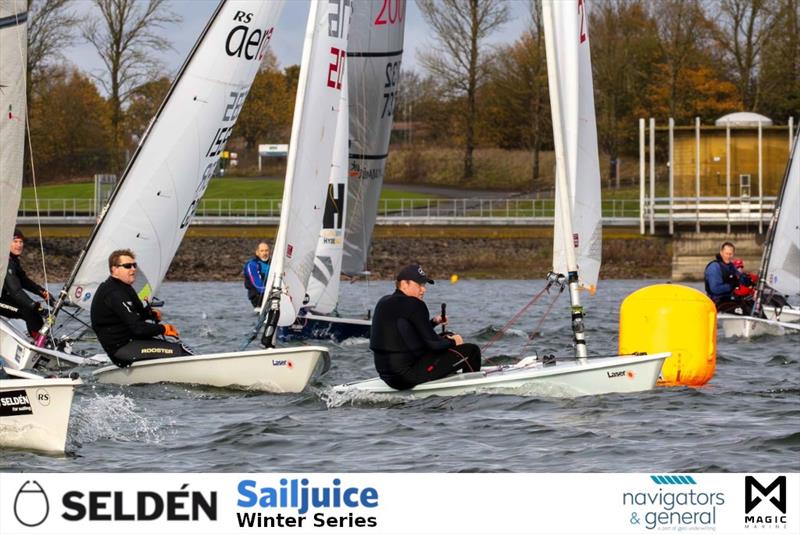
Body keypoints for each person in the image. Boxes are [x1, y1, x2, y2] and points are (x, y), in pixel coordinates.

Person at [369, 263, 481, 390]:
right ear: (404, 284)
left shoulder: (384, 301)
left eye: (424, 285)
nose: (423, 289)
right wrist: (454, 341)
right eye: (419, 285)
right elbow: (435, 345)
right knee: (472, 351)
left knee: (445, 335)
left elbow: (406, 333)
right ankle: (470, 389)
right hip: (407, 377)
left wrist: (434, 322)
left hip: (388, 377)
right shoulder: (415, 304)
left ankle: (446, 373)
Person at [91, 249, 189, 367]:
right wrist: (163, 329)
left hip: (132, 343)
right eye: (128, 266)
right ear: (114, 269)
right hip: (122, 349)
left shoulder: (124, 287)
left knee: (173, 344)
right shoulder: (113, 293)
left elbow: (138, 312)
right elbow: (137, 328)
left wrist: (151, 314)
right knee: (181, 350)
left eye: (134, 265)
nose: (133, 269)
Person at [0, 228, 51, 343]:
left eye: (21, 241)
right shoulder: (5, 261)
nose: (19, 245)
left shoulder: (13, 260)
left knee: (32, 310)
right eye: (15, 241)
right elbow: (15, 291)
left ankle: (42, 340)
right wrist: (37, 306)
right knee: (29, 310)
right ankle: (39, 343)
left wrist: (44, 293)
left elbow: (24, 281)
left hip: (3, 298)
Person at [704, 242, 753, 314]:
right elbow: (715, 289)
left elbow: (739, 277)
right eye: (726, 254)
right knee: (743, 310)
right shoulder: (714, 267)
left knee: (750, 304)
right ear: (721, 253)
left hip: (729, 299)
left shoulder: (731, 266)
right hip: (717, 301)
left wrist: (747, 280)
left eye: (730, 254)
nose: (728, 256)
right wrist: (731, 286)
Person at [243, 242, 271, 308]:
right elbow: (257, 284)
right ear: (257, 253)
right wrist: (270, 293)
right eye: (262, 251)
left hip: (272, 294)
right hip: (258, 296)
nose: (265, 253)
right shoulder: (252, 264)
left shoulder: (274, 263)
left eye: (266, 250)